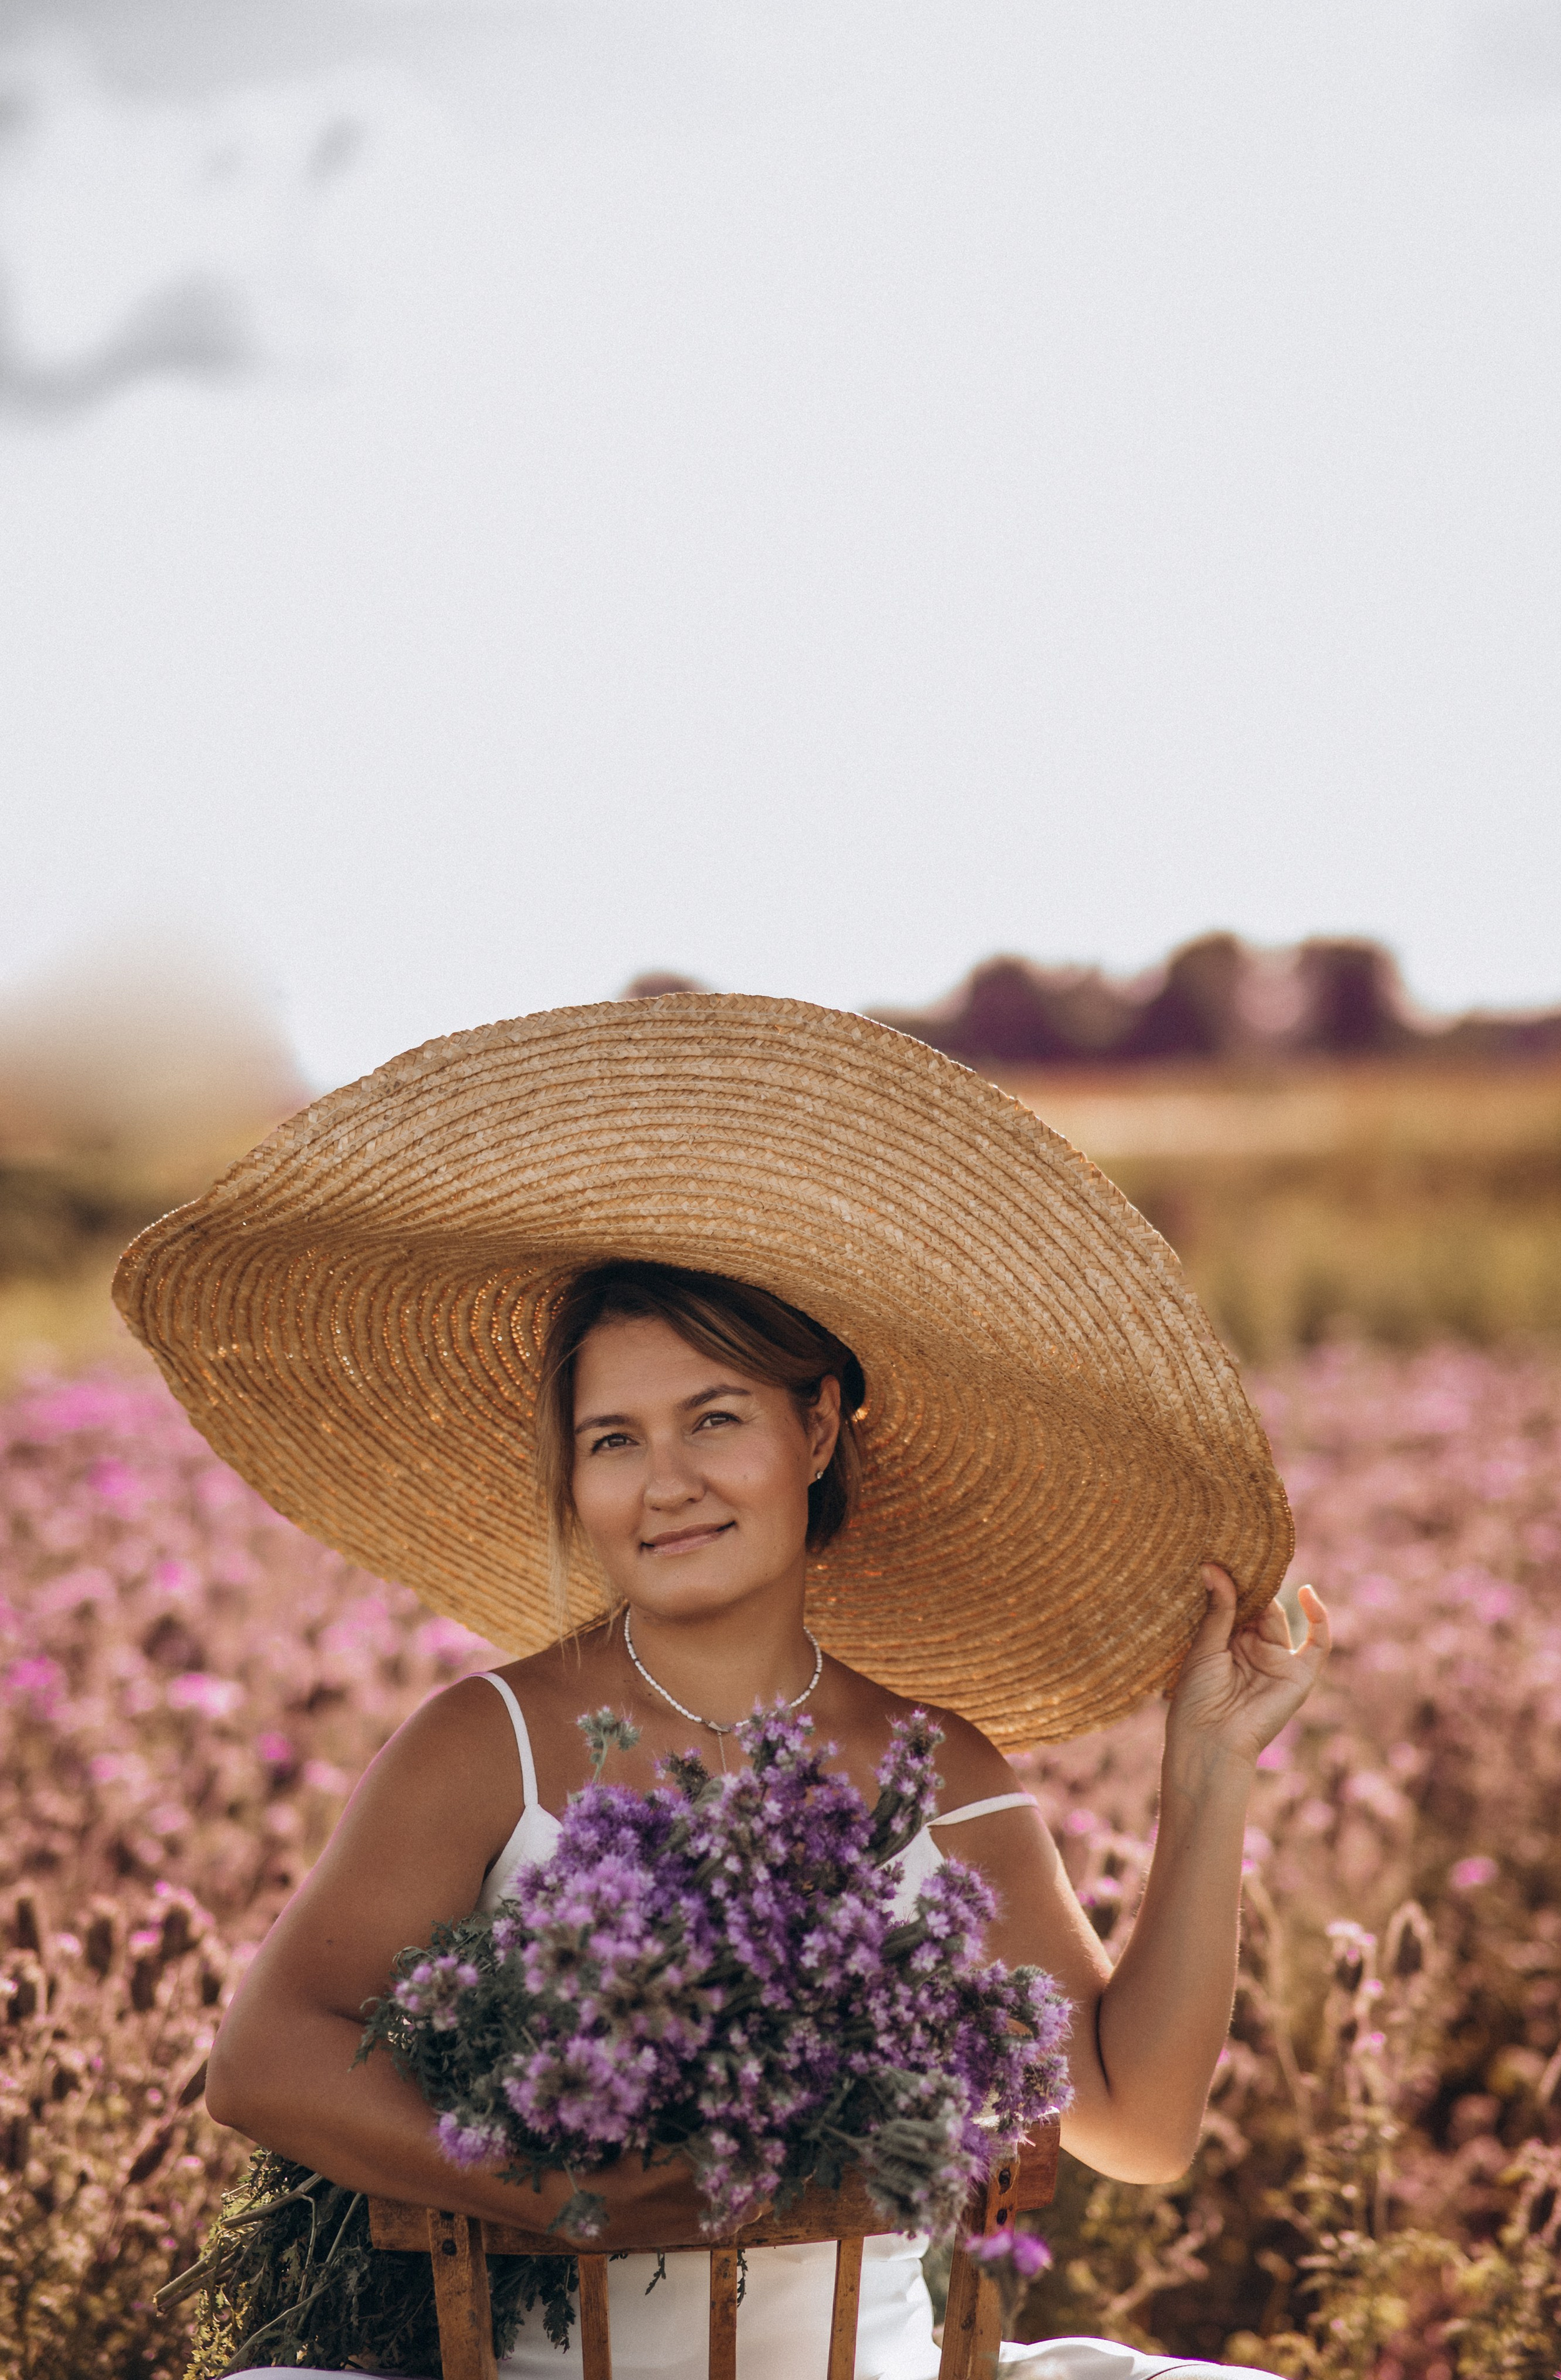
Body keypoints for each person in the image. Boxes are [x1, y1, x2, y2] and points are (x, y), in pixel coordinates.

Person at [116, 995, 1330, 2380]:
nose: (667, 1481)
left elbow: (1130, 2118)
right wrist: (561, 2191)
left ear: (814, 1428)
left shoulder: (941, 1768)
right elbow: (264, 2057)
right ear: (573, 1479)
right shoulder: (489, 1743)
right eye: (613, 1439)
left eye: (715, 1418)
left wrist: (1208, 1771)